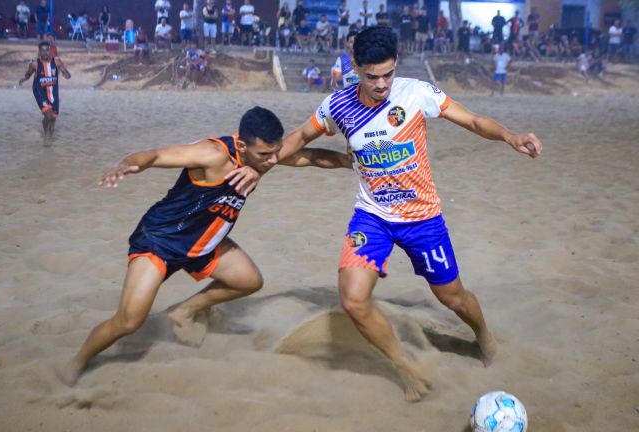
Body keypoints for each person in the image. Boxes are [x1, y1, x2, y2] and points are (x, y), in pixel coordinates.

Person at [231, 26, 542, 403]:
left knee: (454, 297)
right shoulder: (337, 106)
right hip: (372, 217)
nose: (381, 84)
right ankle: (403, 365)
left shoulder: (417, 94)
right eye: (371, 76)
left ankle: (485, 338)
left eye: (388, 74)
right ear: (356, 67)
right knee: (353, 299)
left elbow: (474, 120)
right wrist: (260, 166)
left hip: (423, 219)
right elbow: (297, 138)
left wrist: (510, 136)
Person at [54, 107, 352, 387]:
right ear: (243, 145)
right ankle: (76, 362)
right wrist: (126, 164)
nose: (273, 161)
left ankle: (183, 311)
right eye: (265, 154)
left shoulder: (262, 158)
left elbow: (309, 156)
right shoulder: (212, 155)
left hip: (204, 243)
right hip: (161, 241)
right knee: (129, 321)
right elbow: (156, 155)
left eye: (275, 153)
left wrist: (349, 161)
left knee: (249, 281)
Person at [18, 41, 72, 143]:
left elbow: (66, 71)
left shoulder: (57, 62)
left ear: (50, 51)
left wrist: (67, 75)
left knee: (53, 119)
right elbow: (28, 74)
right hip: (39, 92)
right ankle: (46, 137)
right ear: (39, 52)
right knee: (48, 115)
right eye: (43, 51)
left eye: (47, 50)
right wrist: (23, 79)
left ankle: (47, 132)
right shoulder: (35, 64)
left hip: (53, 93)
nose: (45, 53)